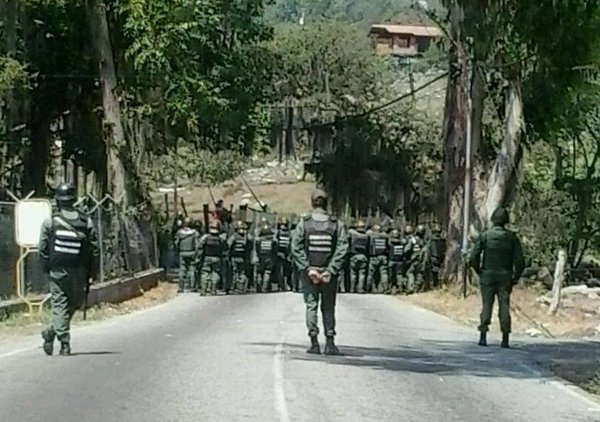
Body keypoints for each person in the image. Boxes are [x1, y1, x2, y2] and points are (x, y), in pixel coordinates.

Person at [39, 183, 99, 356]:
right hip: (79, 271)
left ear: (57, 200)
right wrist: (93, 272)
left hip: (59, 270)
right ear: (74, 199)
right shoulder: (86, 221)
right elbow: (94, 249)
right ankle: (65, 342)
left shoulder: (50, 221)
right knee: (71, 304)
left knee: (62, 307)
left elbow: (43, 248)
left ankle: (52, 332)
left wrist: (46, 267)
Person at [290, 189, 348, 355]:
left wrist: (308, 269)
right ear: (326, 202)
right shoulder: (336, 224)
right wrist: (330, 270)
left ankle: (314, 343)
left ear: (312, 202)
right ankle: (330, 343)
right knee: (328, 308)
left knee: (311, 306)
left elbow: (295, 247)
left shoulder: (304, 223)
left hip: (310, 274)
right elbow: (342, 248)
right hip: (328, 275)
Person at [469, 207, 525, 348]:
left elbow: (473, 257)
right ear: (506, 220)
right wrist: (515, 278)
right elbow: (520, 261)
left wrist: (480, 271)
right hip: (505, 276)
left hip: (487, 275)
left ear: (493, 220)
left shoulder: (485, 236)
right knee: (504, 306)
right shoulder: (512, 238)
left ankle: (483, 336)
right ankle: (505, 338)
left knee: (486, 305)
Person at [198, 219, 226, 296]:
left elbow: (199, 247)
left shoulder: (205, 237)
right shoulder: (221, 239)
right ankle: (213, 290)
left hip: (207, 258)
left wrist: (198, 257)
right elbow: (225, 248)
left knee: (205, 273)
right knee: (215, 273)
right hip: (217, 259)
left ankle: (204, 290)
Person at [174, 217, 200, 293]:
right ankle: (192, 287)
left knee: (182, 269)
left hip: (182, 252)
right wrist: (197, 253)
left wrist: (177, 251)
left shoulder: (179, 233)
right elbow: (197, 244)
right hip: (191, 252)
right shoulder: (195, 233)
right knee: (192, 269)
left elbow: (176, 243)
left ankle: (181, 287)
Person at [228, 220, 252, 293]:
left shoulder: (234, 236)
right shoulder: (246, 236)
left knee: (235, 273)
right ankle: (240, 288)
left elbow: (228, 245)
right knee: (242, 273)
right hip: (243, 258)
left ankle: (233, 288)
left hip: (234, 257)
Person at [347, 219, 369, 294]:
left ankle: (352, 289)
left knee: (353, 273)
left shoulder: (353, 233)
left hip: (354, 256)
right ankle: (360, 289)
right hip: (363, 256)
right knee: (362, 274)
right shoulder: (366, 235)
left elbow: (349, 232)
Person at [367, 224, 390, 294]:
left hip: (374, 257)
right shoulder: (385, 236)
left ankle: (368, 288)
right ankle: (386, 288)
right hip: (383, 257)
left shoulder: (371, 235)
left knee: (370, 274)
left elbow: (368, 233)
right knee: (384, 273)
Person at [255, 223, 275, 293]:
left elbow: (256, 249)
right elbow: (274, 249)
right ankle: (264, 288)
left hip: (260, 257)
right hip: (269, 258)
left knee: (259, 273)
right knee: (267, 272)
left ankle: (258, 288)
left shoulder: (258, 240)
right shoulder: (272, 240)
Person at [275, 217, 293, 292]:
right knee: (283, 272)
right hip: (281, 254)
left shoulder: (280, 232)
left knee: (284, 271)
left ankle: (283, 286)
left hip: (285, 254)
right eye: (282, 225)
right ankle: (282, 286)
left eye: (284, 225)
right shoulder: (286, 233)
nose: (283, 226)